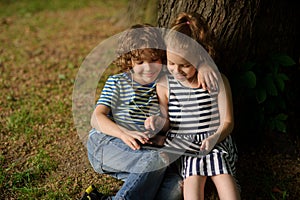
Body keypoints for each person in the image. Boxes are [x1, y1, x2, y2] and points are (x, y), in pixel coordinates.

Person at [145, 12, 241, 200]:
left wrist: (214, 138)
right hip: (186, 146)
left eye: (185, 65)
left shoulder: (217, 81)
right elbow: (166, 120)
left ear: (201, 56)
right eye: (171, 63)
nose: (177, 70)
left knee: (226, 185)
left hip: (216, 142)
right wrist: (157, 120)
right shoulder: (165, 84)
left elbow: (228, 121)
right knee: (192, 188)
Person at [84, 24, 183, 200]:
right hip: (107, 144)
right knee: (157, 159)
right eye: (140, 62)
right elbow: (96, 118)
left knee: (176, 186)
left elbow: (165, 120)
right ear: (129, 61)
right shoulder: (118, 82)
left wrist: (159, 123)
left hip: (141, 151)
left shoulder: (162, 84)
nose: (148, 67)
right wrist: (124, 134)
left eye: (154, 59)